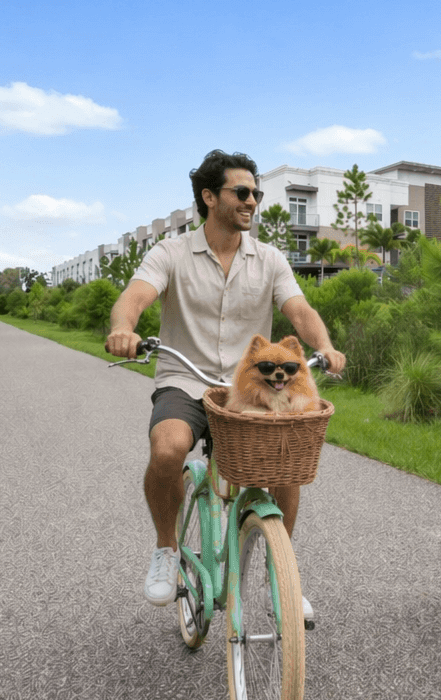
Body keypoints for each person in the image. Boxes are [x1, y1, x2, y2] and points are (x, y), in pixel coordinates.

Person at [106, 150, 346, 623]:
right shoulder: (170, 253)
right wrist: (123, 329)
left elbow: (298, 310)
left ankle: (282, 574)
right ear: (209, 196)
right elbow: (134, 297)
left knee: (286, 467)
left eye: (256, 193)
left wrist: (326, 346)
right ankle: (167, 549)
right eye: (242, 192)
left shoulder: (270, 259)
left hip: (247, 391)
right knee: (169, 448)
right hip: (186, 378)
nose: (252, 201)